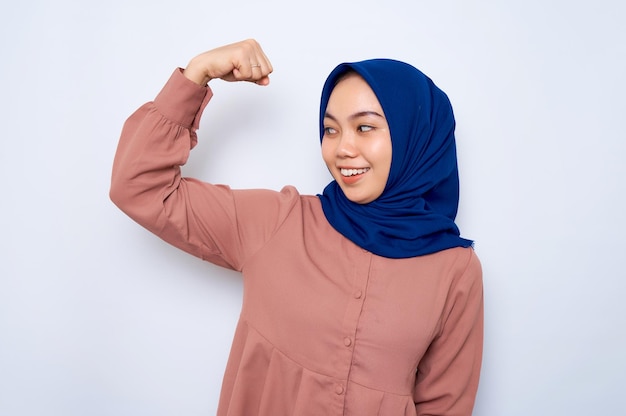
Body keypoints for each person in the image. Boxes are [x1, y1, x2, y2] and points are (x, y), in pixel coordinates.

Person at [110, 38, 483, 416]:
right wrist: (196, 74)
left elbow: (445, 406)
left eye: (365, 127)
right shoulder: (277, 223)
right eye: (331, 129)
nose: (342, 149)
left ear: (415, 137)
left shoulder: (454, 270)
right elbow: (139, 188)